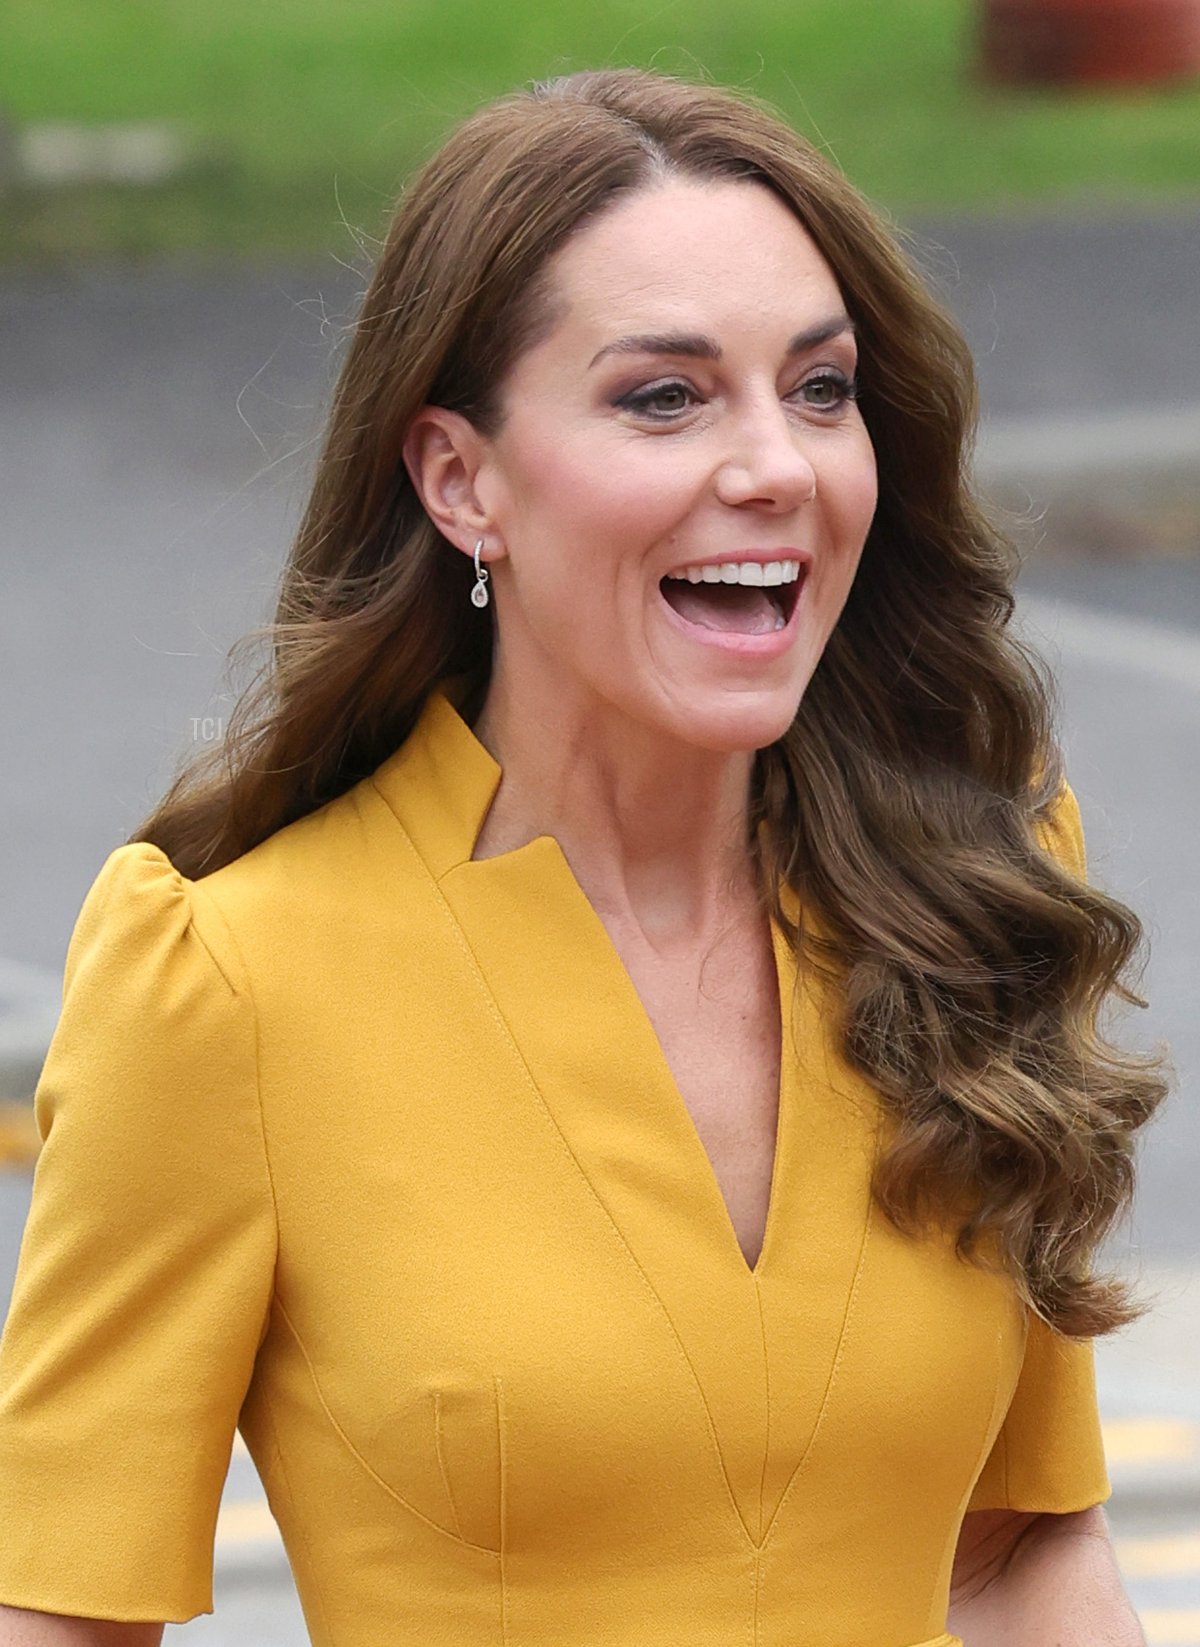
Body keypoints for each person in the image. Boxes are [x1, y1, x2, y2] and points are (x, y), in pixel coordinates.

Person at [0, 66, 1166, 1647]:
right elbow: (58, 1621)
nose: (776, 465)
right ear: (459, 477)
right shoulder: (228, 979)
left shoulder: (969, 884)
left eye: (820, 390)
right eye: (664, 397)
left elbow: (1025, 1551)